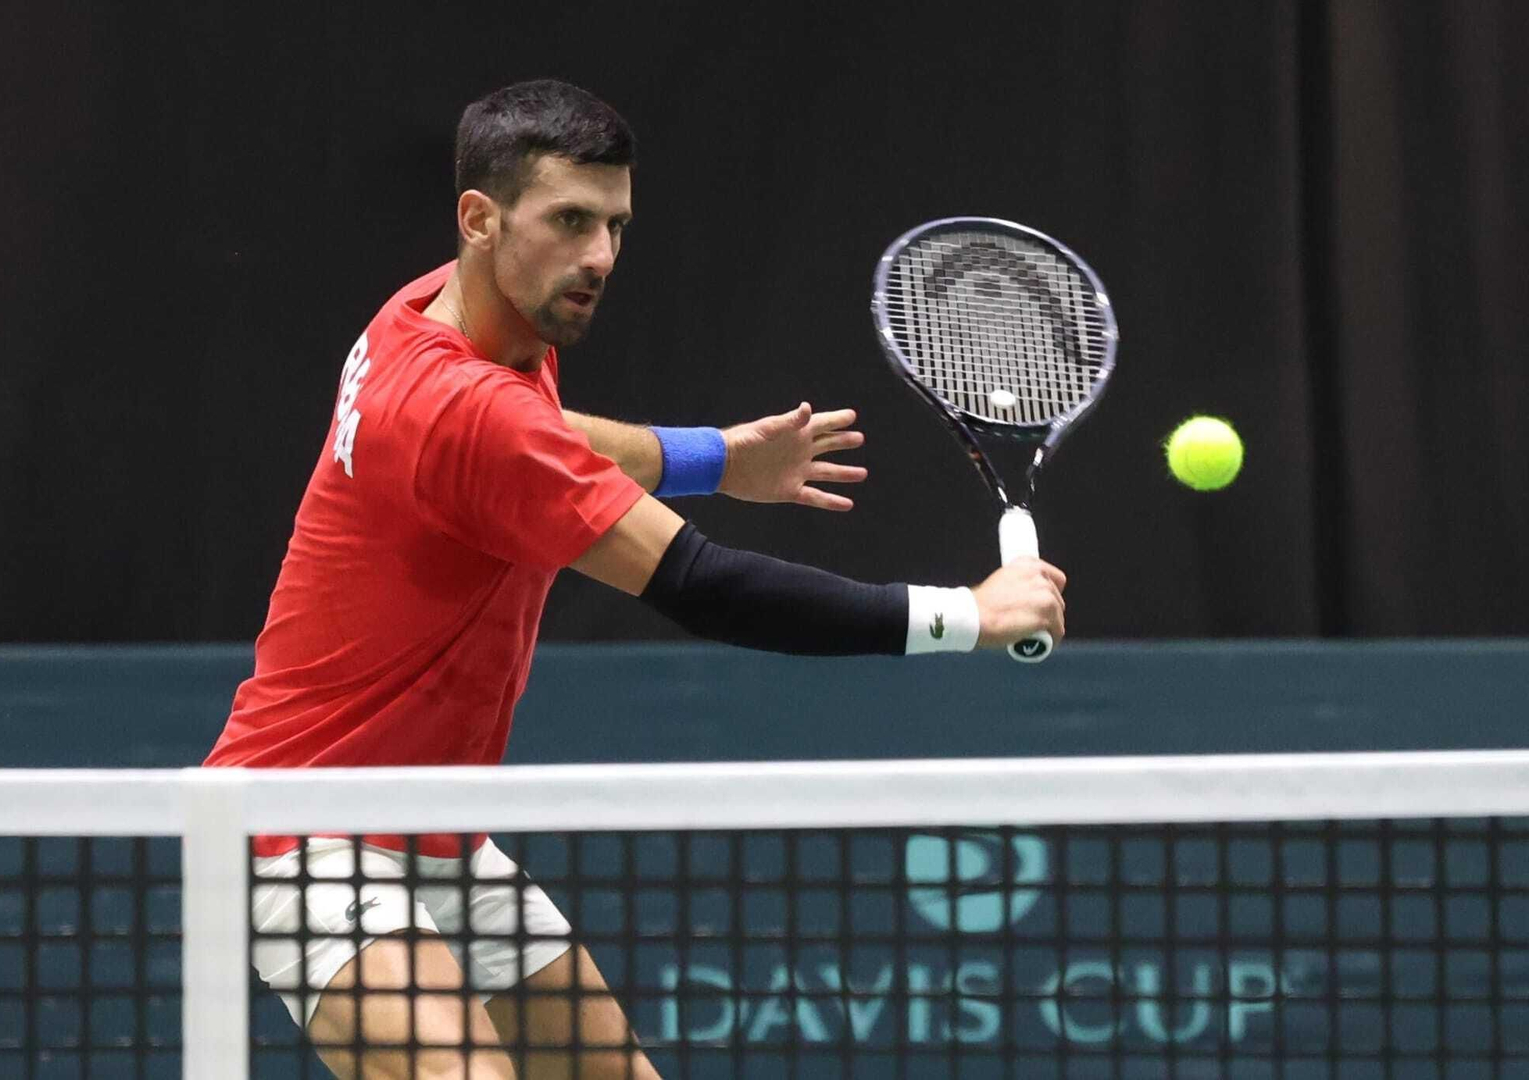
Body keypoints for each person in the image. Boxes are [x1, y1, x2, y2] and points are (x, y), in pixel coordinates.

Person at [206, 78, 1066, 1080]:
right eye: (569, 222)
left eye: (614, 224)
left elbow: (543, 439)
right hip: (303, 832)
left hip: (433, 832)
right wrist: (965, 614)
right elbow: (701, 583)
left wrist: (716, 459)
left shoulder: (426, 320)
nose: (599, 257)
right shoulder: (462, 407)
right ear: (479, 220)